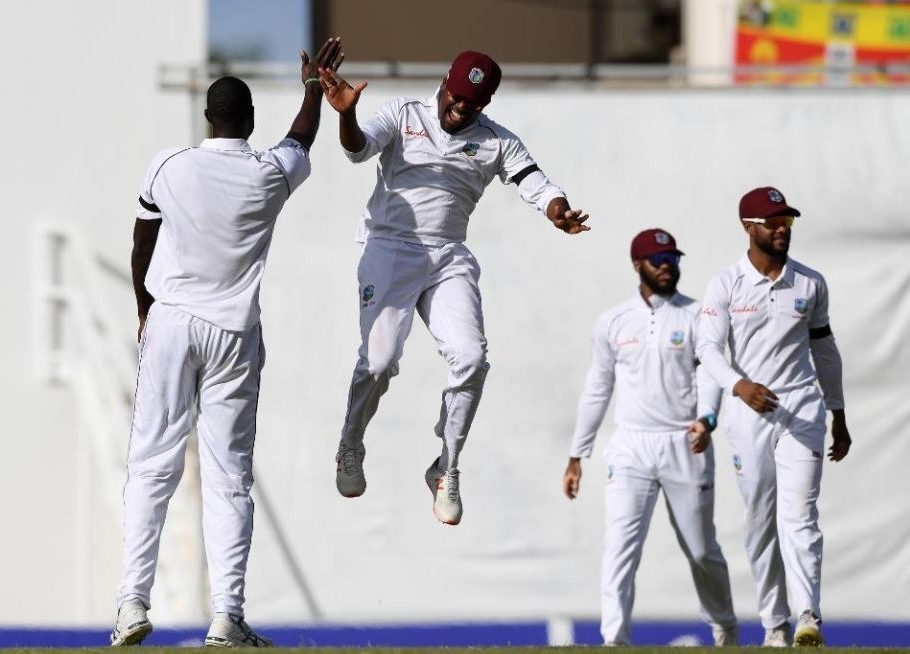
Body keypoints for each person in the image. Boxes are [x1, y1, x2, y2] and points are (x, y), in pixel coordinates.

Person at [110, 38, 344, 648]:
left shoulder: (170, 165)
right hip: (232, 334)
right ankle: (226, 616)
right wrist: (314, 88)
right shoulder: (268, 171)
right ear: (248, 121)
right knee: (228, 475)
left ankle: (131, 604)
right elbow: (302, 139)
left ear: (208, 119)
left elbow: (141, 244)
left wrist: (143, 309)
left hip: (170, 322)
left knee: (149, 464)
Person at [317, 51, 589, 525]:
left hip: (448, 255)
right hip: (390, 247)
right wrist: (347, 115)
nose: (461, 108)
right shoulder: (405, 115)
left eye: (474, 103)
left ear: (486, 103)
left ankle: (446, 468)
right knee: (379, 362)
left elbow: (537, 184)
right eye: (457, 97)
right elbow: (359, 149)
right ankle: (350, 444)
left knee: (471, 358)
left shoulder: (496, 141)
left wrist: (558, 211)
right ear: (444, 84)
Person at [562, 229, 739, 647]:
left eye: (672, 258)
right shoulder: (613, 321)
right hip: (632, 447)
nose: (666, 265)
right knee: (620, 548)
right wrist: (577, 455)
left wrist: (706, 418)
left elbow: (710, 370)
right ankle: (615, 640)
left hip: (685, 442)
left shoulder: (699, 316)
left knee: (701, 551)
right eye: (657, 259)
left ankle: (725, 630)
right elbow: (597, 388)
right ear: (637, 265)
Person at [696, 186, 852, 648]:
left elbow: (825, 350)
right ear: (749, 227)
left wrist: (838, 412)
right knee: (761, 520)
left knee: (800, 515)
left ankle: (808, 616)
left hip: (802, 409)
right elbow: (707, 348)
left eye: (787, 221)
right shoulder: (726, 284)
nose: (782, 229)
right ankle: (774, 624)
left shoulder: (810, 283)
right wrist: (739, 387)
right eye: (772, 222)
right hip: (749, 416)